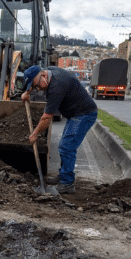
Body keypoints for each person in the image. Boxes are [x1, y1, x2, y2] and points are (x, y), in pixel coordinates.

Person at [22, 65, 98, 194]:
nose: (38, 89)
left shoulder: (56, 88)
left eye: (37, 86)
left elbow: (46, 117)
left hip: (84, 114)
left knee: (67, 147)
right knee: (65, 145)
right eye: (35, 87)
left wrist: (35, 134)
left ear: (44, 76)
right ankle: (63, 176)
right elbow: (36, 79)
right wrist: (27, 92)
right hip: (75, 113)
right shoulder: (49, 71)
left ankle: (67, 183)